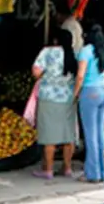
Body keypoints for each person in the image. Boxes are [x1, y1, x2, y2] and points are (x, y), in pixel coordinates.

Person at [74, 25, 104, 183]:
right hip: (103, 93)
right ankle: (103, 171)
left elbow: (80, 76)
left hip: (89, 92)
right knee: (100, 132)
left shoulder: (86, 51)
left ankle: (92, 173)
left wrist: (75, 94)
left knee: (90, 134)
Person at [32, 29, 79, 179]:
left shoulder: (47, 52)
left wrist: (47, 74)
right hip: (68, 99)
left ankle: (48, 170)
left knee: (49, 135)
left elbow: (36, 72)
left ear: (55, 40)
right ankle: (67, 168)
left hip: (49, 98)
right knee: (68, 134)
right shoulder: (74, 54)